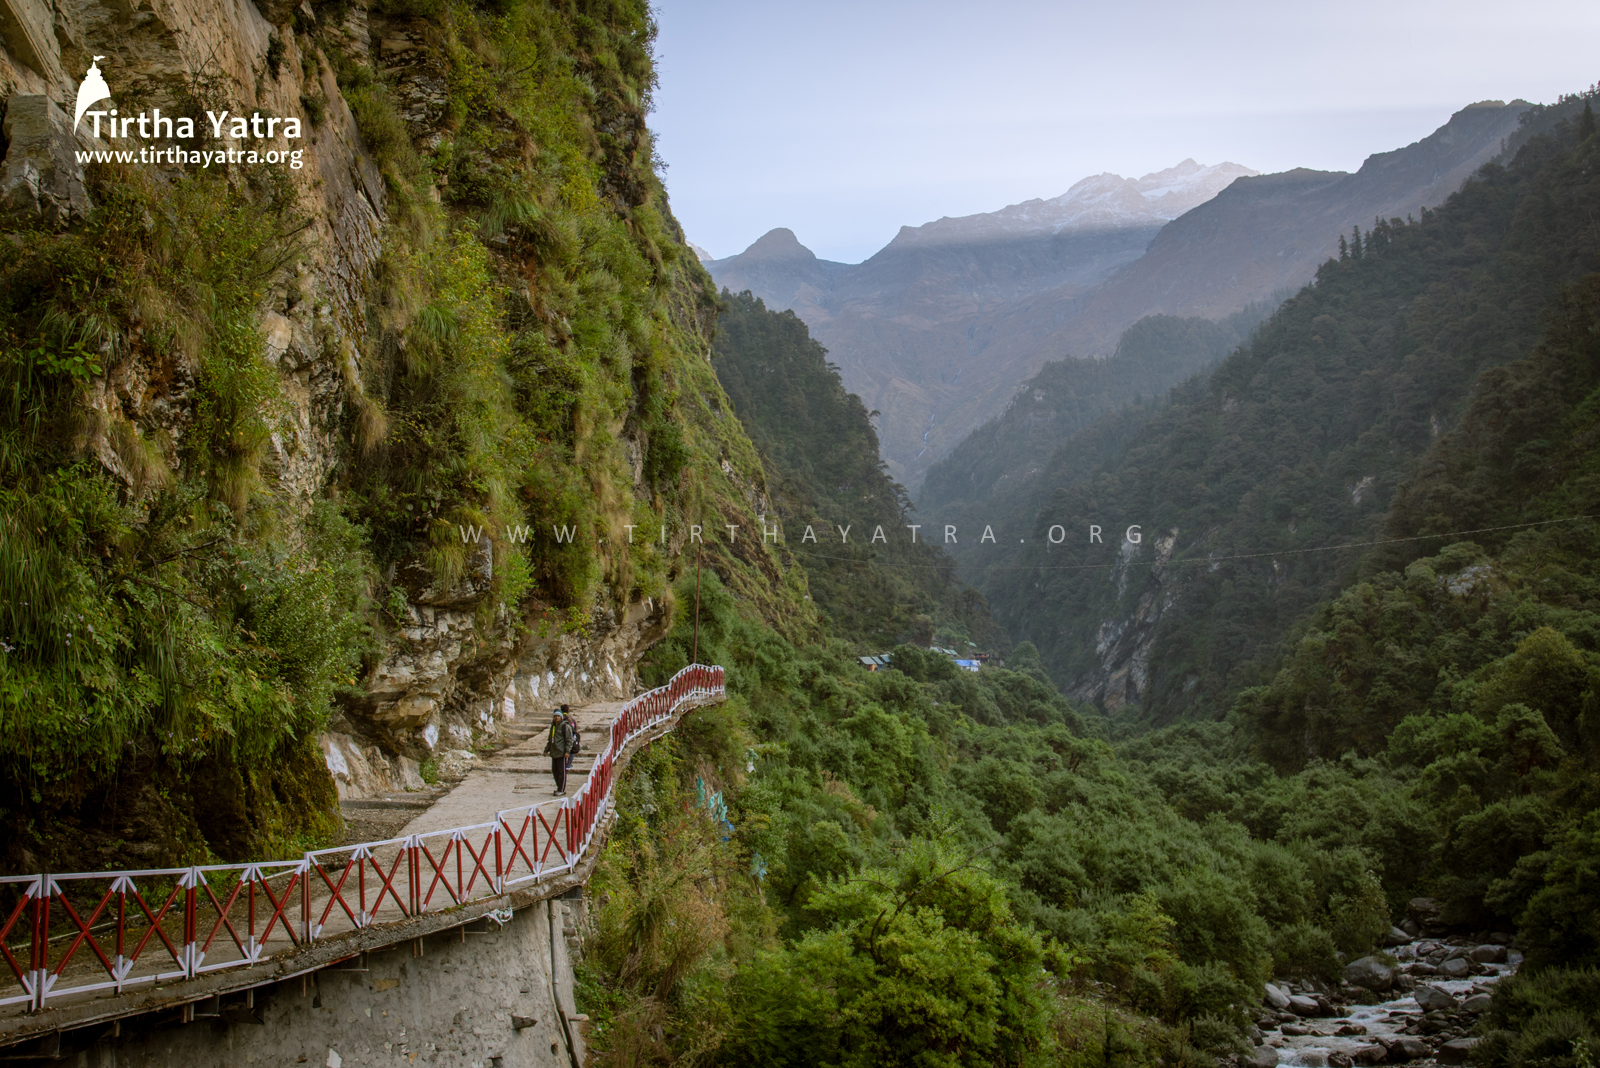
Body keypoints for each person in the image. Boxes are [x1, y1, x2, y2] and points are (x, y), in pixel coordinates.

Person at [544, 709, 576, 794]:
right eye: (555, 716)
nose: (556, 718)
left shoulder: (564, 726)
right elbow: (550, 739)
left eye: (558, 716)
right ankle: (559, 787)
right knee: (555, 771)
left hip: (561, 753)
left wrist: (567, 752)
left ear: (561, 717)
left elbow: (569, 740)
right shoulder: (553, 726)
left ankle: (561, 790)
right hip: (554, 753)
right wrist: (546, 750)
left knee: (561, 772)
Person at [561, 704, 581, 775]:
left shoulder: (559, 718)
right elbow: (575, 729)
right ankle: (568, 764)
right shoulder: (571, 719)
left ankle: (562, 766)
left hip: (561, 739)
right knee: (572, 750)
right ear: (568, 710)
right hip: (571, 738)